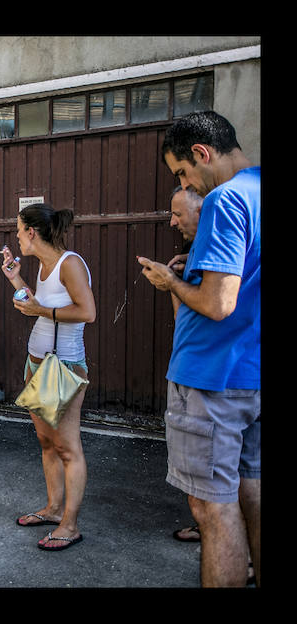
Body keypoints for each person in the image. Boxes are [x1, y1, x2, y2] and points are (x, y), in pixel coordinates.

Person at [138, 111, 260, 587]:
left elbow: (217, 303)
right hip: (252, 373)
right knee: (252, 492)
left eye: (182, 173)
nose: (186, 184)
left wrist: (170, 280)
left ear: (202, 154)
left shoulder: (225, 200)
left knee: (211, 507)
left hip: (212, 377)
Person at [1, 203, 95, 551]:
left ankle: (70, 525)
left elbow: (87, 312)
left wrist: (39, 309)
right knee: (46, 444)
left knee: (68, 448)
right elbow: (42, 307)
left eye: (18, 228)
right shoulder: (43, 266)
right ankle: (54, 509)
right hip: (37, 364)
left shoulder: (69, 263)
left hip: (64, 368)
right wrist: (16, 281)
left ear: (32, 232)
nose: (16, 236)